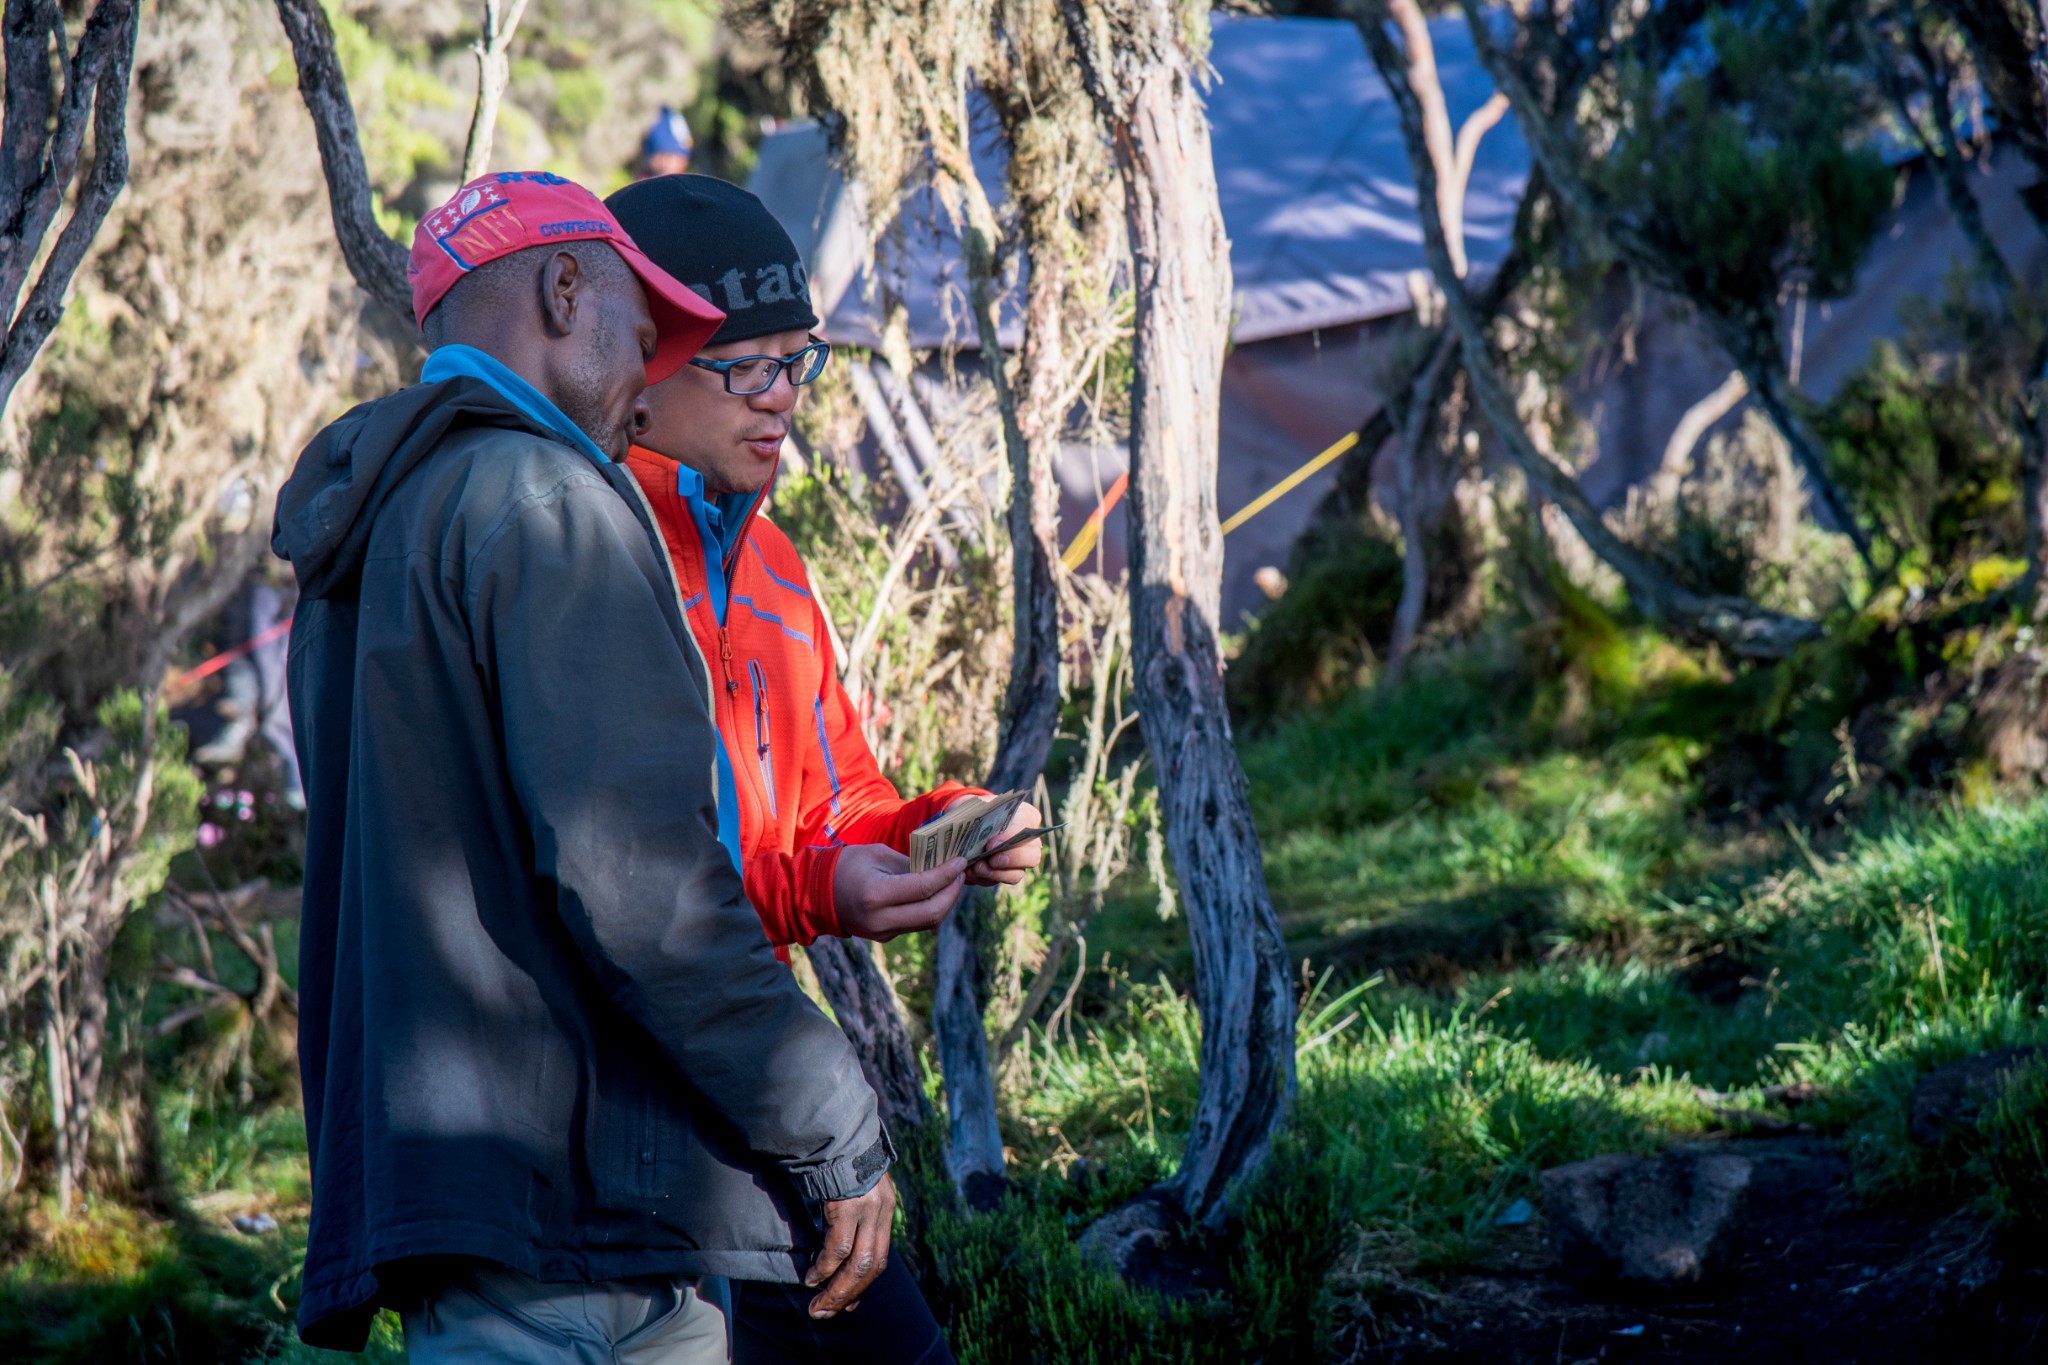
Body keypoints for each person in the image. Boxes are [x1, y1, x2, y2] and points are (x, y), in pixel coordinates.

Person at [273, 171, 942, 1363]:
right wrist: (832, 1124)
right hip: (588, 1208)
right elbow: (643, 884)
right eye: (647, 338)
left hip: (465, 1210)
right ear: (565, 286)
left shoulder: (376, 527)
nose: (645, 385)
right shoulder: (548, 503)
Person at [605, 173, 1045, 1364]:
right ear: (638, 364)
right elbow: (625, 880)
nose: (783, 397)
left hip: (763, 1077)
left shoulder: (773, 559)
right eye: (744, 366)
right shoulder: (589, 556)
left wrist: (938, 827)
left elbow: (833, 798)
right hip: (632, 1103)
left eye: (799, 360)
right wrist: (820, 893)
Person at [638, 105, 695, 179]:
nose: (666, 164)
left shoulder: (693, 187)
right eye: (662, 155)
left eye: (673, 156)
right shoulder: (637, 188)